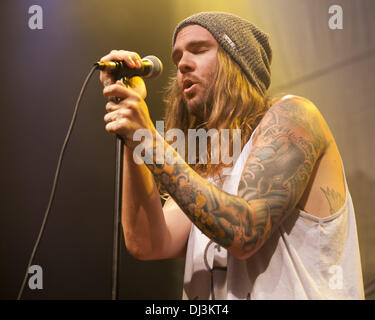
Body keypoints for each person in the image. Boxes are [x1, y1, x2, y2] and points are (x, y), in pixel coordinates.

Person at [99, 12, 364, 299]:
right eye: (177, 59)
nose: (183, 64)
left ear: (237, 63)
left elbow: (245, 230)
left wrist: (149, 138)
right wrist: (132, 133)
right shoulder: (203, 172)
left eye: (198, 50)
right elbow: (148, 242)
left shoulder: (294, 117)